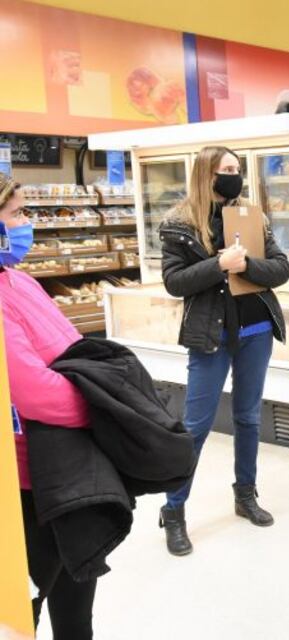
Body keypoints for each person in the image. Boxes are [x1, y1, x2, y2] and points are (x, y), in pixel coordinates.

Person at [158, 146, 289, 556]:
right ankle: (174, 510)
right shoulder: (179, 224)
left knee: (248, 418)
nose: (235, 176)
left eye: (237, 169)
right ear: (206, 174)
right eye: (227, 170)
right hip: (209, 335)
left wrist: (246, 265)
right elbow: (174, 282)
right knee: (195, 426)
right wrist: (218, 263)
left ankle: (245, 493)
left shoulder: (252, 216)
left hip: (256, 329)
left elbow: (281, 269)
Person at [0, 174, 96, 638]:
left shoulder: (19, 281)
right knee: (29, 604)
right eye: (16, 215)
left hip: (64, 467)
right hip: (25, 476)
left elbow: (74, 345)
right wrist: (103, 405)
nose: (26, 225)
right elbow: (33, 391)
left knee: (77, 596)